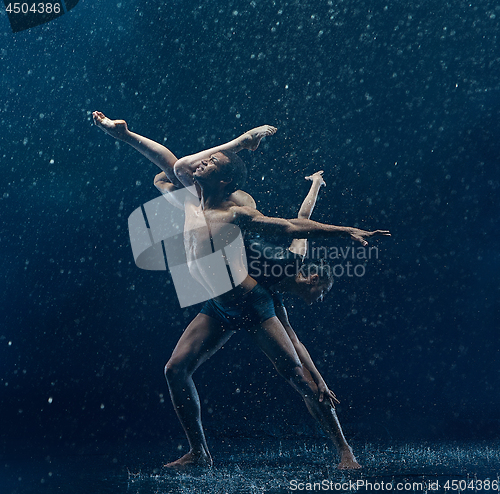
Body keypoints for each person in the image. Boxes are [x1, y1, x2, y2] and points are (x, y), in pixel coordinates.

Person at [93, 112, 390, 469]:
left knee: (298, 376)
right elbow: (169, 166)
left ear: (224, 181)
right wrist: (124, 136)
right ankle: (200, 453)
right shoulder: (185, 198)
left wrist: (346, 232)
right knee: (175, 369)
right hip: (217, 306)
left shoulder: (235, 215)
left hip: (252, 303)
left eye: (211, 163)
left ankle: (344, 450)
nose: (201, 162)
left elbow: (293, 225)